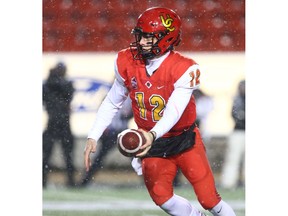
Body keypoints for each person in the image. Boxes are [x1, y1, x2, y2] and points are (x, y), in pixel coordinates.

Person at [84, 7, 236, 216]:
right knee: (161, 197)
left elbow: (174, 111)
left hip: (183, 139)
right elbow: (112, 101)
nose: (142, 42)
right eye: (140, 36)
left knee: (209, 199)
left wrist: (152, 134)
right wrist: (94, 134)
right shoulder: (127, 61)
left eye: (149, 37)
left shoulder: (184, 68)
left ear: (167, 38)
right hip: (152, 143)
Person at [79, 97, 133, 187]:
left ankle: (147, 180)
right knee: (100, 157)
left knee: (135, 156)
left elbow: (131, 114)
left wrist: (128, 114)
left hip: (123, 130)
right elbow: (103, 113)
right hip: (110, 131)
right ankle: (85, 180)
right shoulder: (110, 96)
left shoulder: (130, 99)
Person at [43, 62, 76, 188]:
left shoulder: (62, 84)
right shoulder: (50, 85)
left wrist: (53, 78)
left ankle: (70, 181)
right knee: (49, 155)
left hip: (60, 123)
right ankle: (44, 181)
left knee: (66, 155)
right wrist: (53, 78)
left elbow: (68, 91)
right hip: (56, 123)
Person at [220, 79, 245, 189]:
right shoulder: (237, 100)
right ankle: (228, 183)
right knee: (232, 158)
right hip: (238, 132)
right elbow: (234, 115)